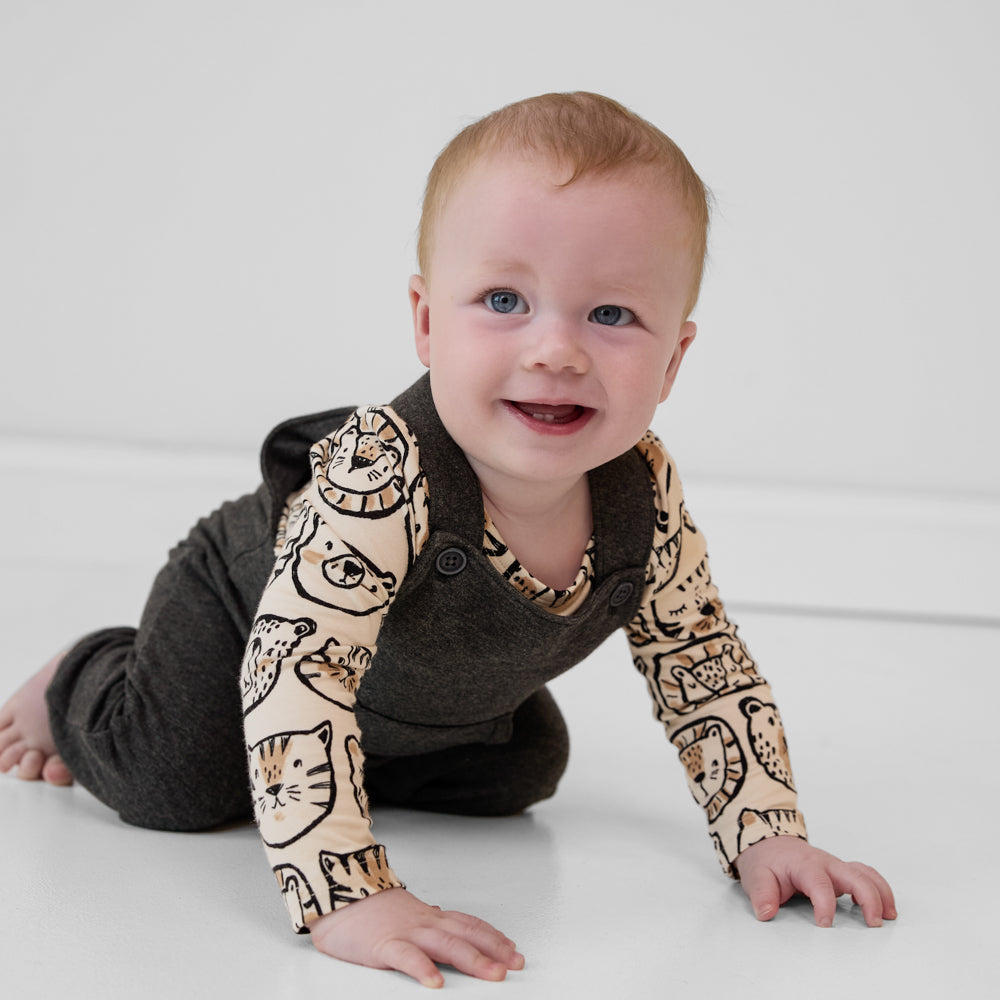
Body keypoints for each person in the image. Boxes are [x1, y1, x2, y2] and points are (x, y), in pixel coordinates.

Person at [0, 92, 896, 988]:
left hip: (413, 689)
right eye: (505, 300)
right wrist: (347, 893)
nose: (557, 350)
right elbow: (300, 670)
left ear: (674, 361)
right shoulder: (380, 471)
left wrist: (766, 832)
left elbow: (701, 659)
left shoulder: (644, 493)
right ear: (427, 322)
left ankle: (352, 758)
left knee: (525, 771)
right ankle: (83, 675)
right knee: (176, 787)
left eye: (612, 315)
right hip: (250, 621)